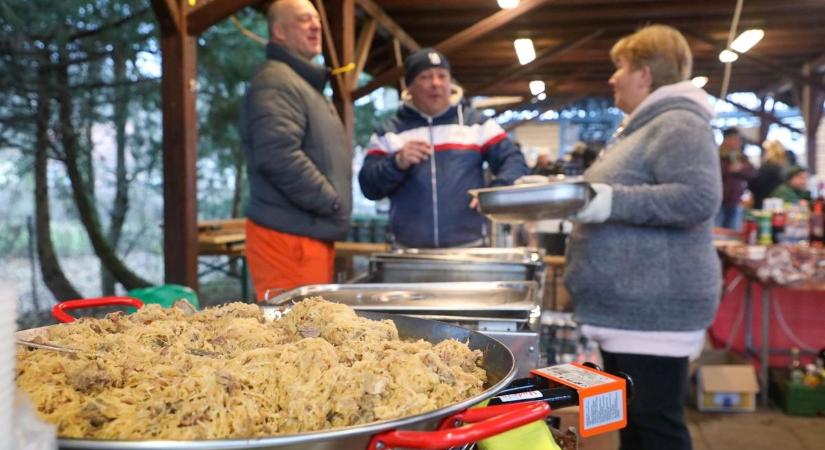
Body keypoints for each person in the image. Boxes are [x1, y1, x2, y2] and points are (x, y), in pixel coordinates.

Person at [564, 25, 722, 450]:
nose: (613, 78)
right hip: (632, 311)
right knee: (638, 427)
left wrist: (606, 202)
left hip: (652, 313)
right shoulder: (645, 126)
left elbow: (698, 197)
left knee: (654, 427)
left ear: (645, 74)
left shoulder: (678, 124)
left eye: (621, 68)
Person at [358, 48, 528, 248]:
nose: (436, 83)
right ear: (409, 86)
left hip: (469, 248)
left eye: (442, 76)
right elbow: (368, 186)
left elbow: (514, 160)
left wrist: (497, 191)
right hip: (408, 252)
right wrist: (396, 163)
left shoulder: (476, 124)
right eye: (425, 77)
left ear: (450, 82)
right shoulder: (389, 131)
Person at [239, 0, 352, 300]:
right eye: (304, 20)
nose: (316, 26)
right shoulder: (276, 82)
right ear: (279, 31)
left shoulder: (302, 83)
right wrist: (332, 202)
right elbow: (278, 155)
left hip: (306, 234)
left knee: (309, 332)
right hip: (288, 240)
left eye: (316, 19)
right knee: (293, 337)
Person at [716, 127, 754, 230]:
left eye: (738, 139)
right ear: (726, 139)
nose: (737, 142)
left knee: (734, 233)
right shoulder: (717, 155)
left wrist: (740, 169)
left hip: (736, 201)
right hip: (719, 201)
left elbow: (752, 172)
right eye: (734, 139)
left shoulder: (741, 157)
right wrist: (729, 169)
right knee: (717, 232)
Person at [748, 140, 788, 210]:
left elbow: (756, 185)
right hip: (778, 202)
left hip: (763, 203)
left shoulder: (767, 167)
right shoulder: (782, 167)